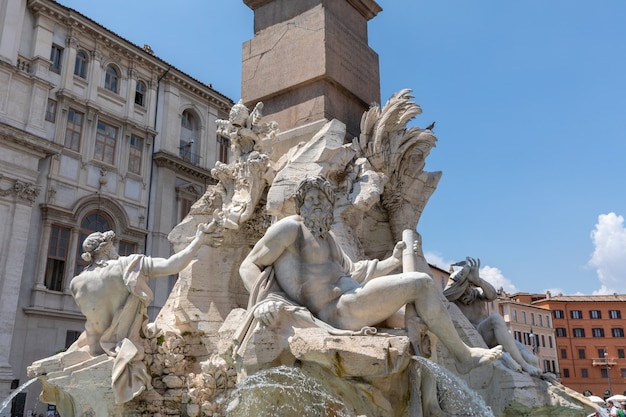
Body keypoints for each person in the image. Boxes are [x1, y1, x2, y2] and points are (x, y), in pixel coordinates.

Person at [239, 175, 502, 375]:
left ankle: (429, 403)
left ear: (330, 204)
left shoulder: (328, 238)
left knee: (425, 324)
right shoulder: (289, 229)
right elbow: (249, 264)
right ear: (300, 204)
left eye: (322, 197)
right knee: (422, 283)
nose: (316, 202)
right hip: (338, 311)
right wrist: (264, 302)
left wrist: (393, 261)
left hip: (355, 298)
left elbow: (355, 272)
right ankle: (464, 356)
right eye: (310, 198)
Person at [68, 220, 223, 403]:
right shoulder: (129, 265)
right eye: (112, 245)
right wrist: (198, 241)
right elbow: (172, 265)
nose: (114, 248)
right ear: (106, 247)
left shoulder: (76, 283)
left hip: (94, 351)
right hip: (126, 348)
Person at [443, 257, 542, 376]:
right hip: (478, 338)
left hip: (495, 336)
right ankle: (523, 365)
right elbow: (445, 295)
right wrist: (461, 278)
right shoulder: (452, 300)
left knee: (533, 359)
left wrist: (478, 280)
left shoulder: (477, 293)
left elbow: (492, 295)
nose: (465, 287)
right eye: (462, 283)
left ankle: (536, 372)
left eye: (467, 284)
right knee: (495, 318)